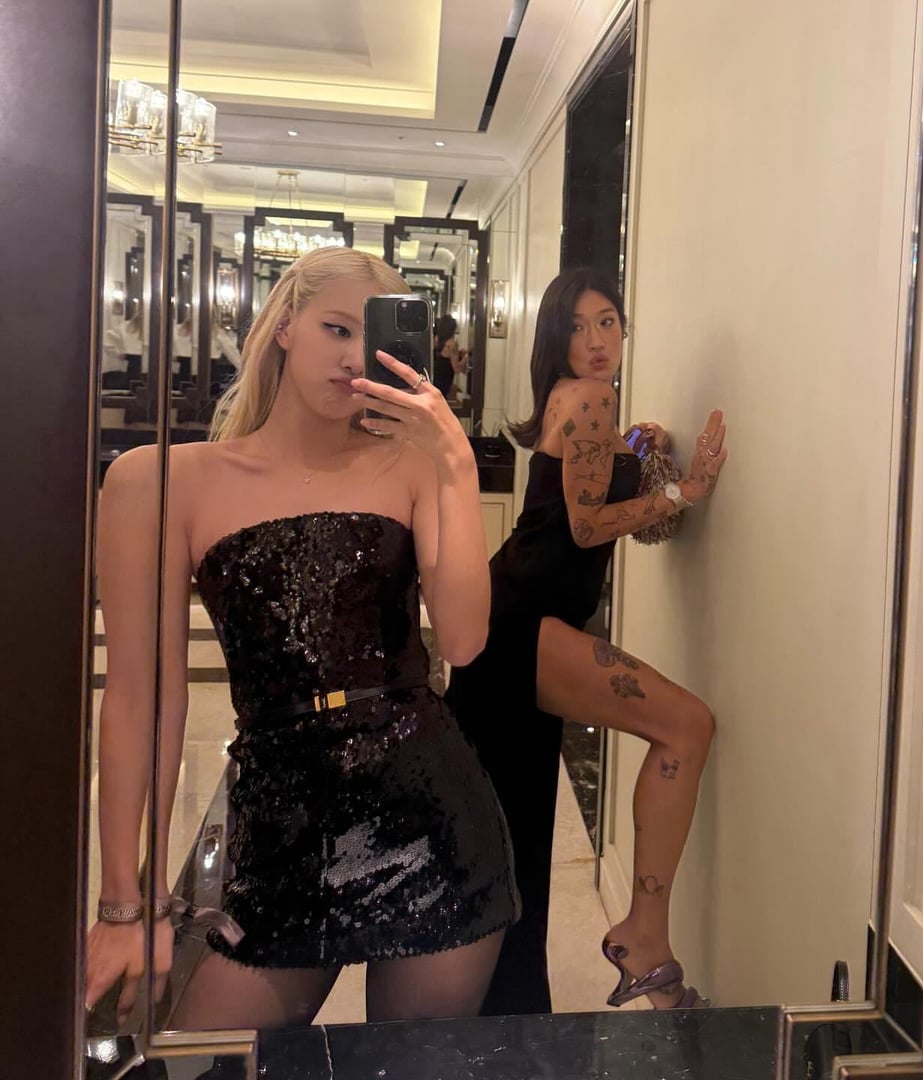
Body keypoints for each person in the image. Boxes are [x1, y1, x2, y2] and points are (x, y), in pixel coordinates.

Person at [85, 248, 519, 1030]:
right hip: (280, 820)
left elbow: (462, 640)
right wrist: (125, 903)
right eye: (335, 329)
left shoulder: (412, 469)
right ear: (285, 324)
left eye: (373, 342)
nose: (353, 359)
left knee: (407, 1071)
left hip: (428, 817)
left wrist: (454, 462)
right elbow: (143, 698)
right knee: (208, 1057)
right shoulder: (161, 481)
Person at [445, 267, 727, 1014]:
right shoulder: (589, 399)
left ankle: (510, 1006)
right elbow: (585, 524)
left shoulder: (575, 402)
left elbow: (584, 481)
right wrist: (684, 490)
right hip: (524, 624)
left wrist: (637, 443)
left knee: (512, 826)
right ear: (554, 338)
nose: (596, 339)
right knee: (687, 725)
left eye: (608, 321)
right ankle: (643, 936)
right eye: (576, 326)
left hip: (517, 619)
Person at [432, 313, 467, 398]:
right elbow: (456, 368)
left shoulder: (436, 340)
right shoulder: (452, 344)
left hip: (435, 377)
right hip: (445, 379)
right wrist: (465, 358)